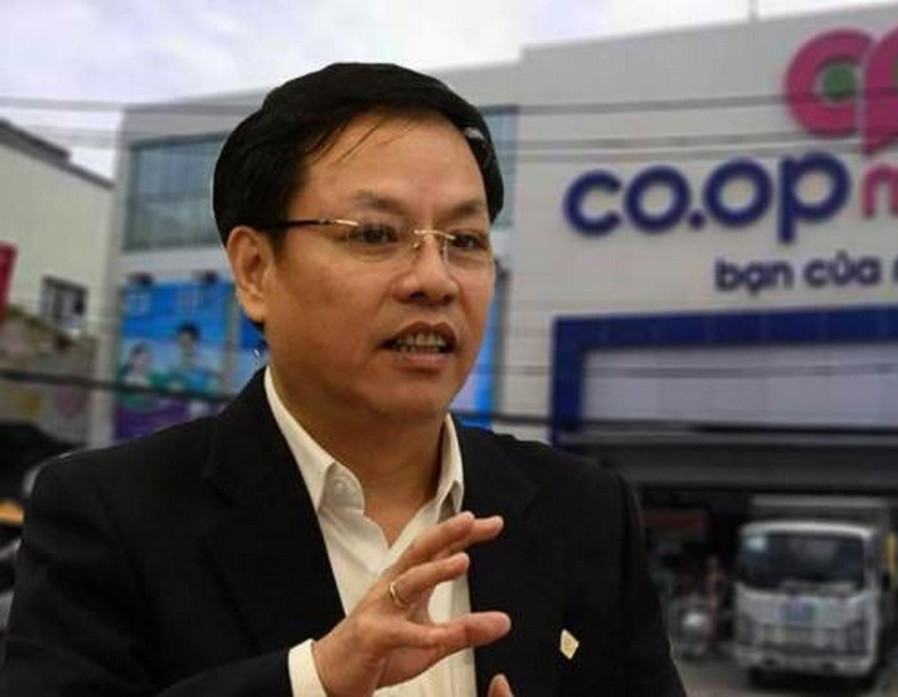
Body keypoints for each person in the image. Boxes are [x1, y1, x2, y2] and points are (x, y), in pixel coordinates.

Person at [0, 63, 684, 697]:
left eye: (466, 241)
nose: (435, 279)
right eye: (375, 234)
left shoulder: (586, 512)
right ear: (255, 270)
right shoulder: (107, 514)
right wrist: (314, 681)